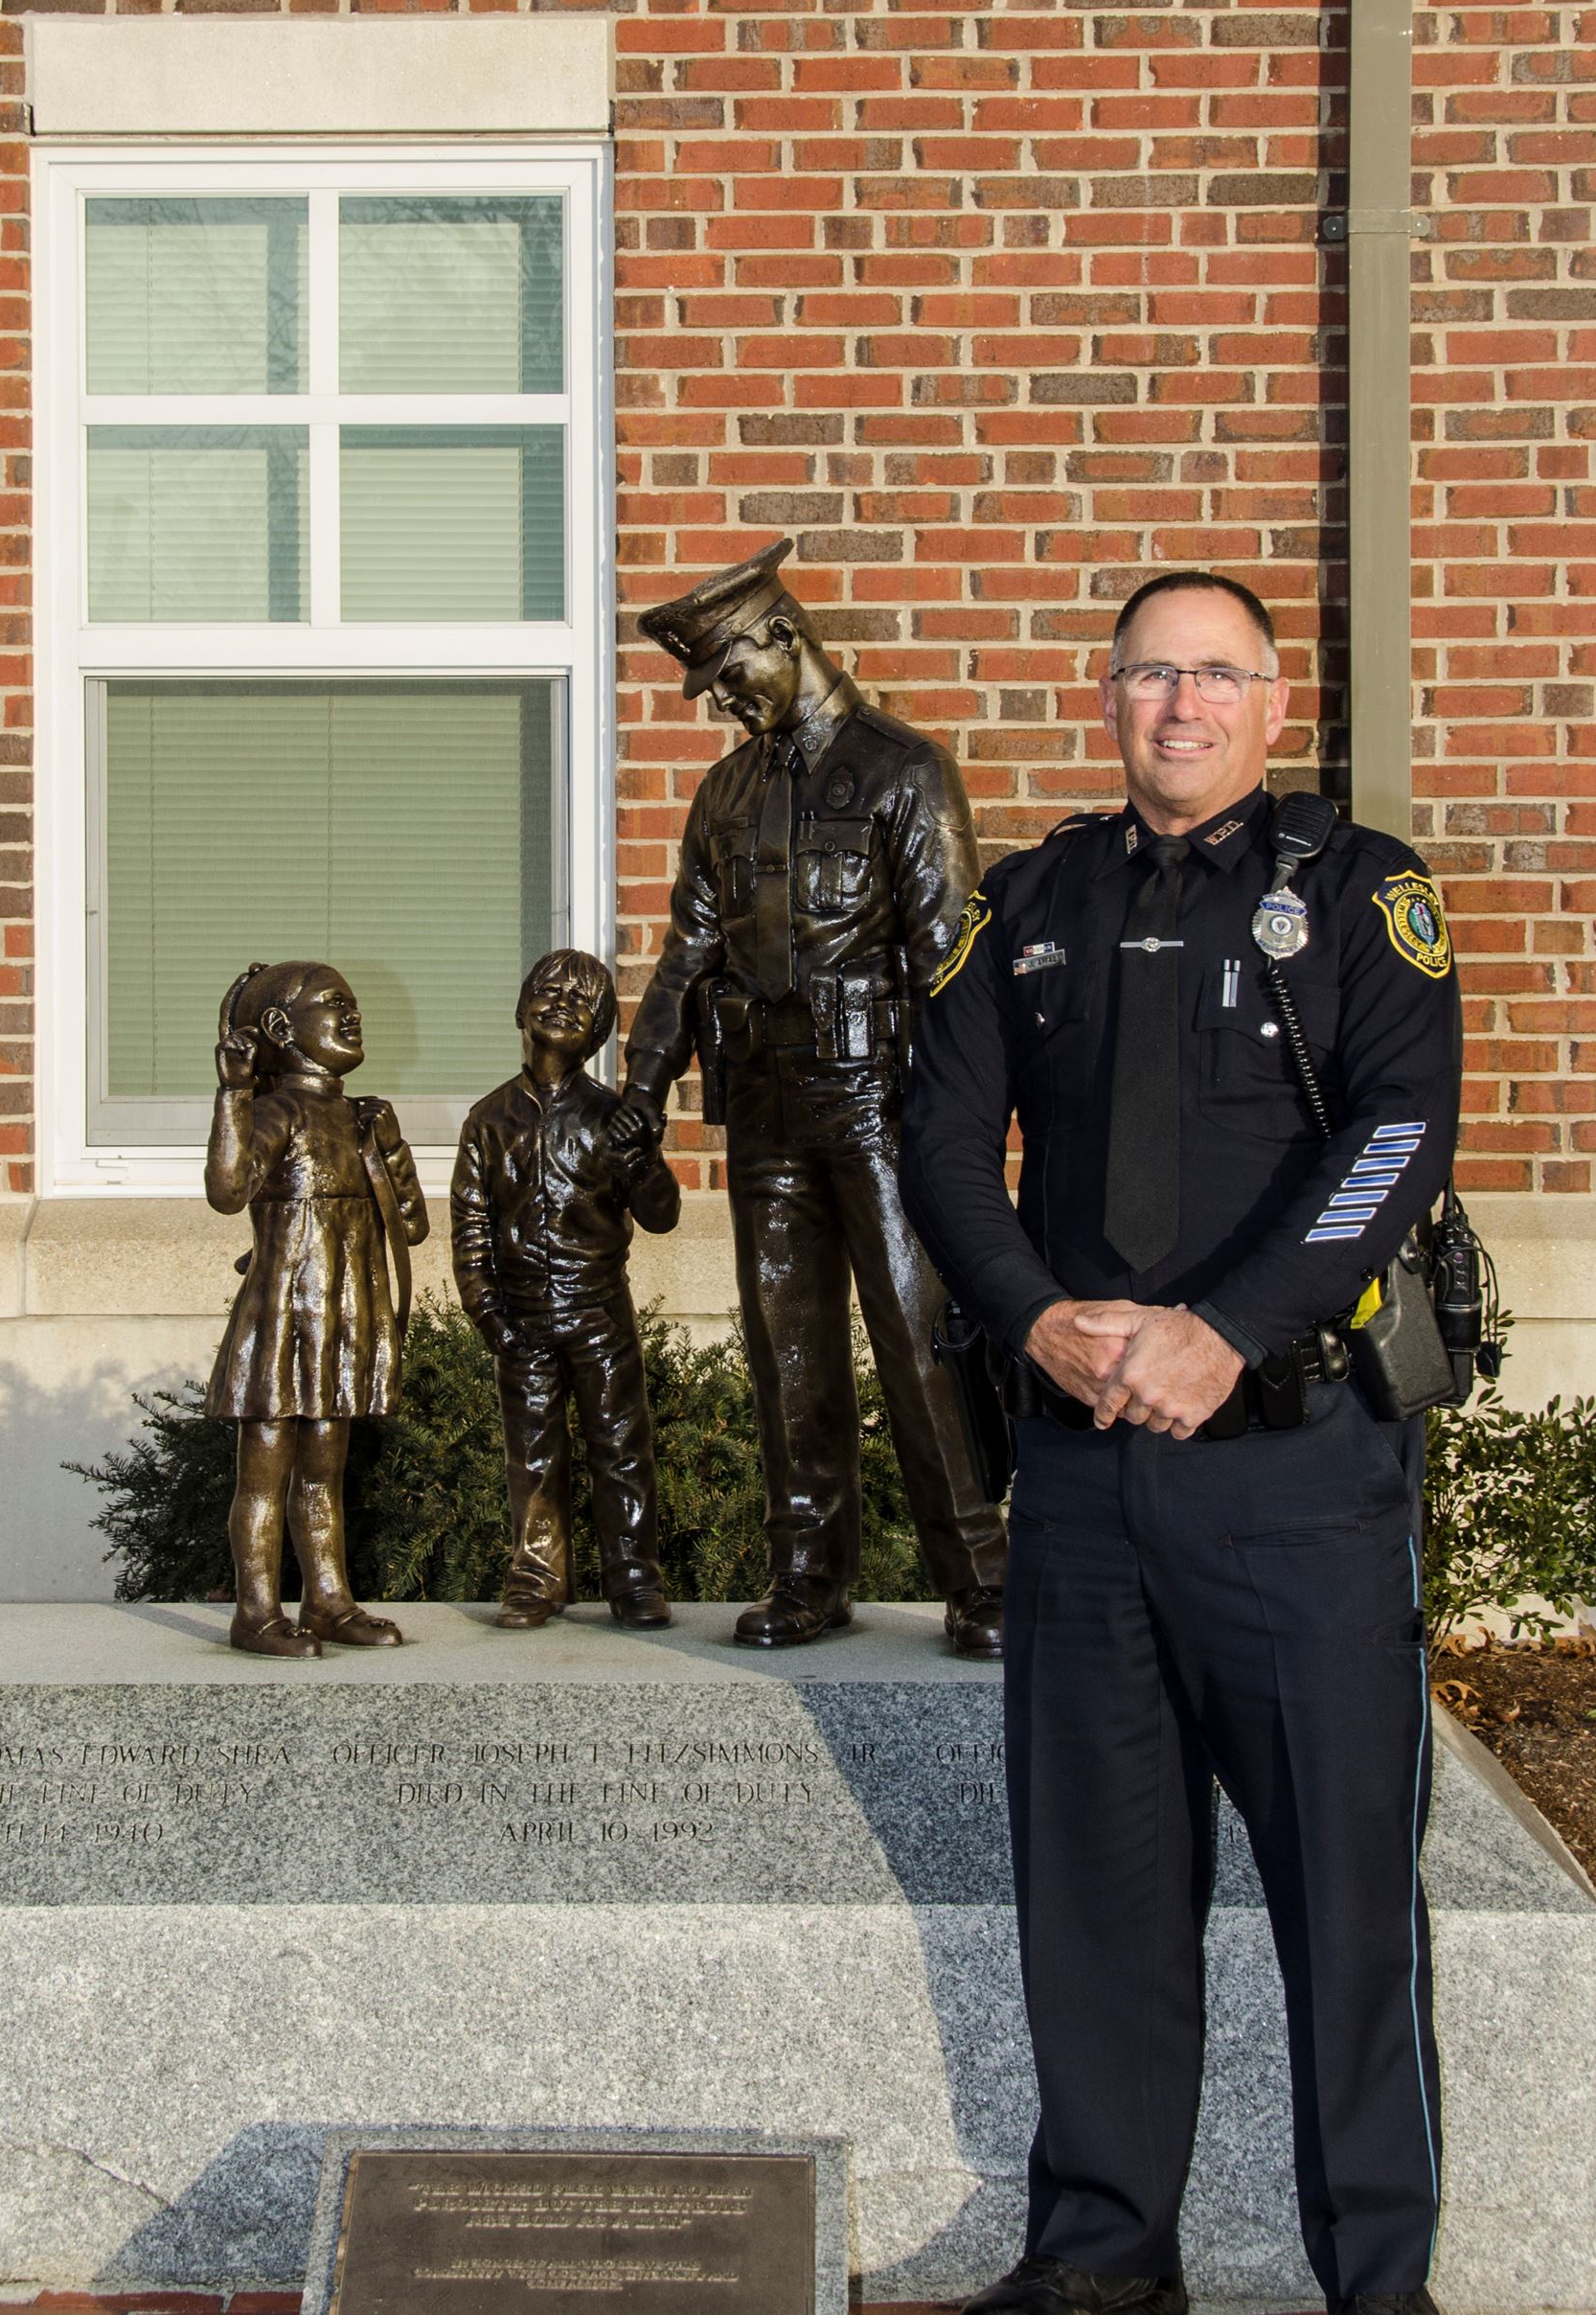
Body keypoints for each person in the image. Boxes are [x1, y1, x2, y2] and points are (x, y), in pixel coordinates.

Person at [899, 572, 1462, 2315]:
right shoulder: (1030, 903)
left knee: (1345, 1886)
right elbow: (938, 1140)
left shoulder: (1360, 896)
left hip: (1290, 1482)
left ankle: (1375, 2273)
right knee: (1100, 1885)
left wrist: (1229, 1327)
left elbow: (1402, 1132)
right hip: (1082, 1488)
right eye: (1152, 675)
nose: (1181, 706)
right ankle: (1104, 2250)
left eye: (1215, 676)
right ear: (1111, 696)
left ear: (1270, 699)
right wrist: (1031, 1318)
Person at [607, 538, 1009, 1654]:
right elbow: (688, 953)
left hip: (879, 1104)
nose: (725, 701)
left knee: (918, 1341)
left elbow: (949, 967)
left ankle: (981, 1579)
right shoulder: (727, 790)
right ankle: (806, 1576)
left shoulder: (902, 771)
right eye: (713, 688)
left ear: (785, 637)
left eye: (734, 674)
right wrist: (641, 1084)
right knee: (786, 1350)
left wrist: (959, 1135)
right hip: (767, 1105)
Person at [206, 959, 431, 1659]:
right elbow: (226, 1187)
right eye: (335, 1003)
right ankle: (257, 1610)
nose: (352, 1013)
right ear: (281, 1027)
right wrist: (233, 1096)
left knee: (324, 1471)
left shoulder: (360, 1117)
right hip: (281, 1318)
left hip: (341, 1316)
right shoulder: (277, 1111)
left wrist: (388, 1149)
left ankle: (329, 1599)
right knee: (266, 1468)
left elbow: (412, 1224)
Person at [451, 949, 679, 1631]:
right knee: (532, 1451)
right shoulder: (487, 1121)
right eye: (548, 991)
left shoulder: (611, 1118)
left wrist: (641, 1158)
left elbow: (661, 1214)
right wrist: (488, 1315)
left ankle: (633, 1574)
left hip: (598, 1312)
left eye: (582, 1002)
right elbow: (469, 1229)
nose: (561, 1004)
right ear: (520, 1009)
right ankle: (536, 1574)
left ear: (599, 1032)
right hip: (520, 1315)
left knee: (618, 1443)